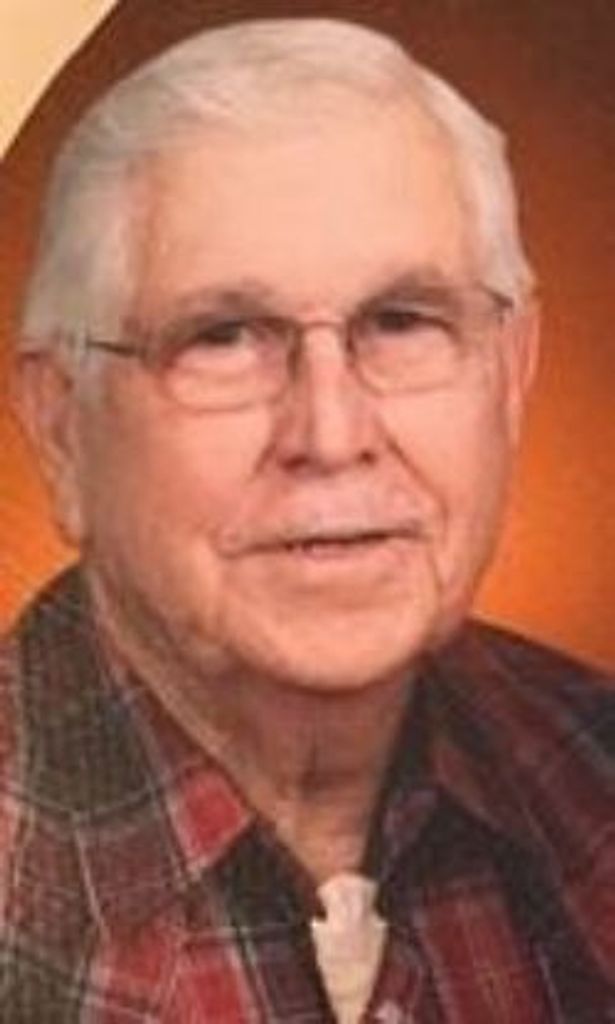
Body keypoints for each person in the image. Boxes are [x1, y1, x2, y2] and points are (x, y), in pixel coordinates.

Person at [1, 17, 613, 1023]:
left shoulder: (594, 766)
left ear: (510, 377)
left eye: (402, 321)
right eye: (223, 337)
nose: (331, 434)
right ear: (63, 427)